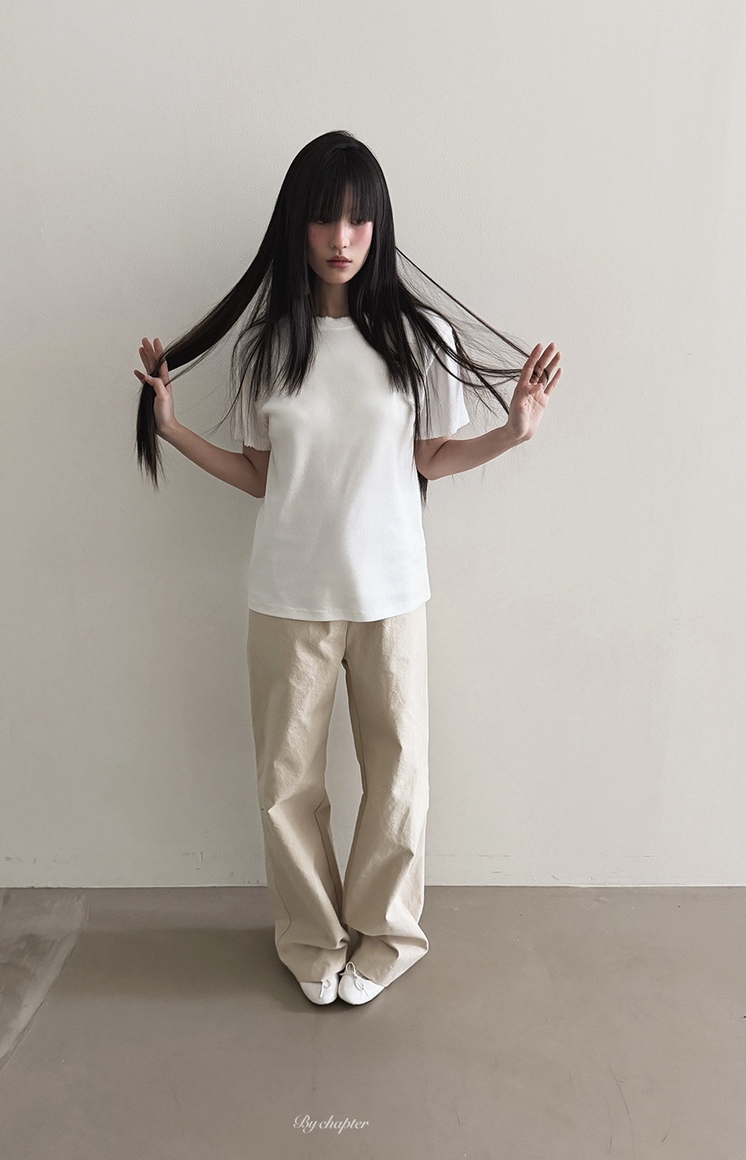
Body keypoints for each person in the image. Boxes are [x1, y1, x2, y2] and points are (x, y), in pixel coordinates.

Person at [133, 129, 563, 1007]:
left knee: (398, 777)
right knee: (286, 785)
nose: (341, 237)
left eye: (358, 219)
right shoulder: (266, 347)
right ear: (296, 224)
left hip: (392, 595)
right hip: (287, 595)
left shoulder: (418, 336)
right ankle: (311, 938)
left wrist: (512, 434)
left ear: (379, 226)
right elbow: (261, 475)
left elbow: (430, 456)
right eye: (324, 217)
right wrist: (172, 430)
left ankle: (389, 936)